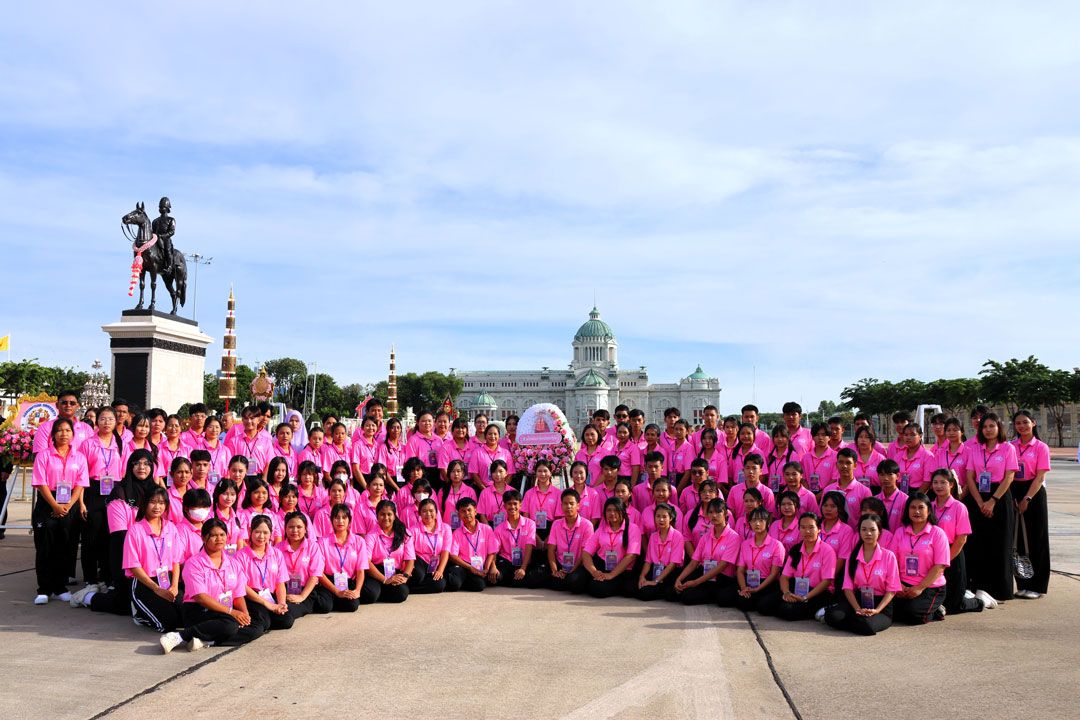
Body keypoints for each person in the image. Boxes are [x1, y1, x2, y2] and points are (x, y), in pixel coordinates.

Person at [159, 519, 265, 653]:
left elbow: (238, 595)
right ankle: (180, 636)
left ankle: (206, 640)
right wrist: (232, 613)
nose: (219, 539)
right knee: (230, 625)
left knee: (257, 626)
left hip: (224, 611)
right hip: (199, 610)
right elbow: (200, 597)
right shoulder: (194, 563)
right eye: (214, 535)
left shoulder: (233, 563)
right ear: (204, 538)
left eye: (222, 535)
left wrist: (244, 614)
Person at [32, 418, 88, 604]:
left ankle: (60, 587)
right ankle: (44, 589)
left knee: (65, 547)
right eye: (60, 430)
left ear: (73, 434)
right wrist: (55, 506)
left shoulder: (79, 457)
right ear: (53, 435)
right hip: (48, 502)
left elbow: (81, 483)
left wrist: (69, 505)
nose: (64, 434)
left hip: (69, 503)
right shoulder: (44, 455)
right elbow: (41, 482)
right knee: (45, 546)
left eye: (68, 430)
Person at [963, 412, 1018, 603]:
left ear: (999, 428)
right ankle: (979, 586)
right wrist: (979, 502)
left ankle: (1000, 589)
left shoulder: (1008, 448)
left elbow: (1009, 476)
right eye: (984, 427)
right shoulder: (975, 449)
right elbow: (970, 477)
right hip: (978, 496)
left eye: (991, 426)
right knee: (978, 544)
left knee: (1000, 544)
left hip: (1000, 498)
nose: (987, 430)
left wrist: (993, 500)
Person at [825, 513, 901, 636]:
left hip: (880, 606)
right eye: (864, 529)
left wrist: (877, 610)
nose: (868, 533)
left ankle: (857, 621)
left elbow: (892, 590)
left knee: (868, 626)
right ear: (859, 532)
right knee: (832, 616)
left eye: (872, 530)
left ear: (879, 532)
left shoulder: (888, 556)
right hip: (857, 602)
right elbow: (848, 589)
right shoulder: (852, 556)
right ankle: (856, 619)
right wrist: (857, 609)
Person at [122, 486, 182, 633]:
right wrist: (156, 589)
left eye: (161, 503)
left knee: (186, 614)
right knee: (168, 625)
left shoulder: (171, 528)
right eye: (153, 502)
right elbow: (133, 566)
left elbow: (176, 561)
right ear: (144, 504)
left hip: (167, 580)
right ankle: (140, 615)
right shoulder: (135, 530)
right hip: (145, 583)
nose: (157, 507)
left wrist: (174, 587)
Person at [929, 468, 989, 613]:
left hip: (953, 553)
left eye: (943, 482)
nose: (938, 486)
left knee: (954, 606)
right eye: (935, 482)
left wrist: (945, 560)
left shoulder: (959, 507)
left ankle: (980, 601)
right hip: (933, 554)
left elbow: (962, 538)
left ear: (951, 485)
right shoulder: (929, 506)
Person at [78, 406, 123, 592]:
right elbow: (81, 475)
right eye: (103, 419)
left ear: (116, 422)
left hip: (114, 490)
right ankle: (90, 578)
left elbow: (124, 471)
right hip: (93, 489)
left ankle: (107, 576)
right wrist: (81, 501)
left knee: (110, 535)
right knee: (91, 536)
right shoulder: (88, 444)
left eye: (110, 419)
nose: (106, 422)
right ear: (97, 422)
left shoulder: (119, 444)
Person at [760, 512, 836, 621]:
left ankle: (821, 610)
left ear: (819, 529)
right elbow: (784, 577)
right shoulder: (796, 549)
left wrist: (805, 597)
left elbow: (826, 581)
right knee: (763, 605)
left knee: (787, 611)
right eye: (803, 528)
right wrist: (786, 593)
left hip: (817, 592)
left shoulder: (827, 551)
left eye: (811, 527)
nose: (807, 531)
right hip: (796, 588)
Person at [889, 493, 950, 623]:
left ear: (928, 511)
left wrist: (919, 588)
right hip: (903, 585)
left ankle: (936, 611)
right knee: (888, 611)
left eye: (921, 507)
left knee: (913, 615)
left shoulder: (937, 533)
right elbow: (891, 561)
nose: (916, 511)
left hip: (929, 586)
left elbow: (940, 566)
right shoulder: (900, 532)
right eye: (912, 507)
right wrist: (898, 584)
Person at [1010, 410, 1051, 599]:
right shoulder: (1010, 446)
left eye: (1025, 422)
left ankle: (1038, 585)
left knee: (1037, 538)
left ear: (1033, 423)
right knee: (1018, 540)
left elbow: (1040, 476)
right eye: (1018, 423)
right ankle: (1023, 582)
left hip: (1033, 492)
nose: (1022, 426)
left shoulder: (1041, 447)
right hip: (1014, 490)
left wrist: (1027, 499)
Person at [671, 498, 741, 606]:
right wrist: (679, 579)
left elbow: (722, 566)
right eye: (711, 512)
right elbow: (694, 562)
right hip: (705, 572)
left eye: (718, 512)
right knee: (677, 591)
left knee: (721, 599)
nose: (714, 515)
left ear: (726, 513)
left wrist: (696, 582)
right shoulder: (706, 536)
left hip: (721, 577)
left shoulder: (733, 537)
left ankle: (711, 594)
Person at [237, 513, 294, 632]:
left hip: (270, 596)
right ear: (250, 531)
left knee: (287, 620)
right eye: (257, 532)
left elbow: (280, 583)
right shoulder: (240, 556)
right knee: (265, 620)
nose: (261, 536)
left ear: (271, 534)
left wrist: (281, 603)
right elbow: (243, 587)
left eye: (265, 532)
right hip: (252, 598)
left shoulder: (276, 553)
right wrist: (268, 605)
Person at [582, 497, 641, 598]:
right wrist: (594, 572)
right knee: (576, 582)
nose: (612, 513)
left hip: (622, 569)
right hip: (602, 566)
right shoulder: (601, 529)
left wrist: (611, 575)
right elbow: (586, 553)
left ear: (622, 511)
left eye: (615, 510)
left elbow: (631, 556)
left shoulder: (633, 528)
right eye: (609, 510)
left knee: (600, 589)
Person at [314, 503, 368, 612]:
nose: (340, 521)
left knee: (352, 605)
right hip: (329, 582)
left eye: (344, 517)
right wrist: (337, 591)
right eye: (337, 517)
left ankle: (336, 600)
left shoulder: (359, 541)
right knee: (324, 607)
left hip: (348, 580)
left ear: (349, 520)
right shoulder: (322, 542)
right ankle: (333, 599)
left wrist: (357, 591)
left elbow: (360, 570)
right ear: (331, 520)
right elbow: (320, 572)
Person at [277, 511, 329, 618]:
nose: (295, 530)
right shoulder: (277, 548)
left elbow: (315, 575)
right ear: (285, 529)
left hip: (306, 589)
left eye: (299, 527)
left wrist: (301, 596)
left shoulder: (312, 546)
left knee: (289, 612)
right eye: (291, 527)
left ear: (305, 529)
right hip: (284, 589)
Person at [363, 500, 415, 603]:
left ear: (395, 516)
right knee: (371, 594)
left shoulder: (404, 533)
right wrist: (385, 580)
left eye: (389, 514)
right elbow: (367, 562)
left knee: (402, 593)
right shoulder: (371, 535)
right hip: (376, 572)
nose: (386, 518)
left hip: (394, 571)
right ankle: (379, 591)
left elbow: (410, 559)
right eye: (382, 514)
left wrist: (405, 577)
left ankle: (381, 592)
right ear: (377, 516)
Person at [734, 507, 784, 612]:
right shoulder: (745, 544)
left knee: (763, 607)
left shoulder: (776, 545)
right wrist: (744, 588)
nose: (757, 523)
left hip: (767, 584)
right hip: (749, 583)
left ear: (768, 523)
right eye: (753, 520)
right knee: (741, 602)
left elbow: (774, 574)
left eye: (761, 520)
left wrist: (757, 589)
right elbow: (740, 570)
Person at [546, 488, 595, 593]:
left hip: (579, 565)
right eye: (565, 503)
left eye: (572, 503)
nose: (568, 506)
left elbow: (584, 553)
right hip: (561, 564)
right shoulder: (556, 524)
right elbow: (551, 550)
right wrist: (555, 571)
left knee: (574, 584)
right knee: (550, 580)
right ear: (561, 505)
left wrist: (573, 570)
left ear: (578, 505)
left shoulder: (587, 525)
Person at [492, 489, 544, 588]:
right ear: (504, 506)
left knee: (536, 578)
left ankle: (517, 579)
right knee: (496, 577)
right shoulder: (499, 529)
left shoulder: (530, 524)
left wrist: (523, 568)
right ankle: (517, 580)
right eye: (509, 504)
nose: (512, 507)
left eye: (515, 504)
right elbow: (494, 551)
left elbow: (529, 546)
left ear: (520, 505)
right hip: (507, 561)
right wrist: (493, 567)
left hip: (525, 561)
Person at [447, 497, 499, 592]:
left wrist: (487, 568)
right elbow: (453, 555)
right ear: (459, 515)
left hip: (481, 566)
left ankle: (467, 579)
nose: (467, 513)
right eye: (463, 511)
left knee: (481, 585)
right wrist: (470, 568)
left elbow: (492, 552)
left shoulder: (487, 529)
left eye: (469, 510)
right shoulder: (457, 533)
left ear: (475, 511)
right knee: (454, 584)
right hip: (464, 565)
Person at [637, 503, 684, 601]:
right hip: (655, 570)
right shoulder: (653, 536)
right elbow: (648, 561)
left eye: (664, 516)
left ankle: (660, 589)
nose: (661, 520)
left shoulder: (677, 536)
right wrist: (642, 576)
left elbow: (673, 564)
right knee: (642, 592)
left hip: (670, 572)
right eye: (658, 516)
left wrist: (656, 581)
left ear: (670, 518)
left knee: (670, 594)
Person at [820, 449, 871, 530]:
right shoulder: (828, 490)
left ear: (855, 465)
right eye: (841, 462)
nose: (844, 466)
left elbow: (867, 519)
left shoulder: (864, 491)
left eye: (848, 463)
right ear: (836, 465)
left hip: (854, 536)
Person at [409, 498, 452, 594]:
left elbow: (445, 551)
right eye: (424, 511)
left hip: (436, 562)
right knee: (419, 575)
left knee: (439, 585)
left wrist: (440, 570)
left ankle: (411, 589)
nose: (428, 514)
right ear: (419, 513)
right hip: (419, 561)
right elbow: (410, 553)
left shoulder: (446, 528)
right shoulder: (413, 530)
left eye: (431, 511)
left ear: (436, 512)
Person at [896, 424, 935, 494]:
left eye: (912, 435)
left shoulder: (927, 456)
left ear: (920, 436)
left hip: (919, 493)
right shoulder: (898, 456)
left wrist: (915, 498)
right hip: (900, 492)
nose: (908, 437)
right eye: (906, 435)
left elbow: (927, 481)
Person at [800, 422, 837, 493]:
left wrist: (820, 495)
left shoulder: (835, 456)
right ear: (813, 437)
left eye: (823, 435)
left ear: (829, 437)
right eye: (817, 435)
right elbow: (803, 478)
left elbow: (834, 479)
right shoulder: (806, 457)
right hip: (808, 493)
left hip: (828, 494)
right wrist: (810, 495)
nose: (820, 438)